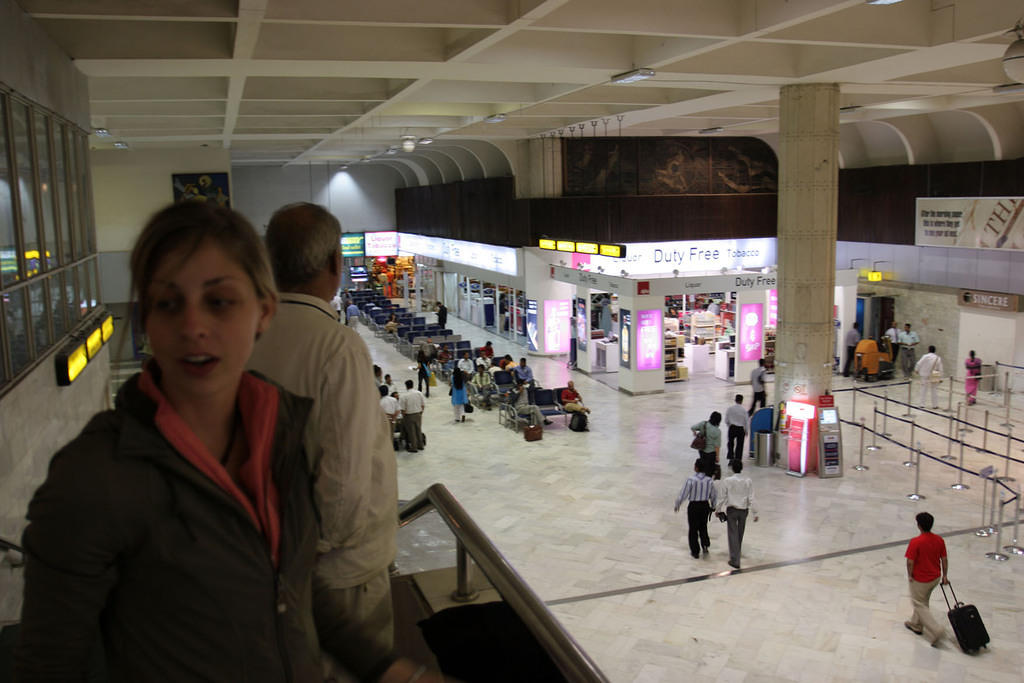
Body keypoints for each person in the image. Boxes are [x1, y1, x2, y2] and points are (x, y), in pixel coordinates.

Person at [16, 201, 441, 683]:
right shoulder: (94, 478)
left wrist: (389, 669)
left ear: (262, 312)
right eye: (168, 303)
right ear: (147, 323)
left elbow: (291, 586)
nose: (193, 326)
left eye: (219, 301)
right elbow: (49, 663)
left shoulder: (277, 429)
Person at [247, 202, 407, 683]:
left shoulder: (251, 333)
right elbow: (346, 473)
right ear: (335, 265)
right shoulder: (336, 345)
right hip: (340, 576)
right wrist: (314, 549)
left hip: (275, 561)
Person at [904, 512, 948, 646]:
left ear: (919, 525)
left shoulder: (916, 542)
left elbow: (910, 562)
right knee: (923, 600)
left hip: (921, 579)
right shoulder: (939, 540)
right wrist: (945, 576)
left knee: (918, 603)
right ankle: (916, 624)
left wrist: (910, 575)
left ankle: (936, 630)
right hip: (935, 577)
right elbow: (944, 559)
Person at [715, 460, 758, 569]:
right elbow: (751, 497)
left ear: (732, 468)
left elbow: (722, 497)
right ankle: (736, 552)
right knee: (740, 533)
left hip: (732, 510)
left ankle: (735, 559)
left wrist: (718, 509)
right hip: (744, 510)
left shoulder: (727, 481)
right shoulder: (748, 481)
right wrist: (755, 512)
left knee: (732, 533)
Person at [673, 459, 717, 559]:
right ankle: (705, 544)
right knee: (703, 526)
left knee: (693, 528)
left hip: (694, 506)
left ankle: (695, 551)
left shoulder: (691, 480)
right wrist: (713, 506)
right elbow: (713, 495)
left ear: (696, 467)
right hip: (705, 505)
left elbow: (683, 494)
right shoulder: (709, 480)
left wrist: (677, 504)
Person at [691, 411, 722, 476]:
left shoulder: (703, 424)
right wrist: (717, 456)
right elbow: (717, 446)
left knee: (702, 466)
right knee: (709, 470)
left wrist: (694, 433)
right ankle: (707, 482)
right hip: (711, 453)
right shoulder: (717, 431)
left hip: (702, 450)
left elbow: (693, 427)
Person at [399, 379, 426, 452]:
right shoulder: (419, 393)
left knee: (411, 432)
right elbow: (423, 405)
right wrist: (420, 413)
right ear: (413, 385)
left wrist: (404, 417)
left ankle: (414, 447)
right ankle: (420, 445)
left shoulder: (403, 396)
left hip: (409, 415)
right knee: (418, 430)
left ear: (406, 386)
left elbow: (403, 409)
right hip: (418, 414)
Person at [914, 345, 944, 409]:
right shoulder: (938, 358)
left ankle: (922, 404)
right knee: (934, 390)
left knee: (923, 389)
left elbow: (919, 363)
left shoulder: (925, 356)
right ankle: (935, 405)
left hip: (924, 374)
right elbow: (940, 368)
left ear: (928, 350)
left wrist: (916, 370)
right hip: (934, 374)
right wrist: (941, 377)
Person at [724, 394, 748, 463]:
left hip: (732, 428)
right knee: (739, 445)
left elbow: (726, 420)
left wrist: (730, 426)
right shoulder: (744, 410)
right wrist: (746, 430)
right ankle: (738, 460)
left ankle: (731, 458)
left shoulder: (730, 409)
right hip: (740, 429)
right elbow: (746, 421)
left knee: (730, 443)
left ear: (735, 400)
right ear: (742, 401)